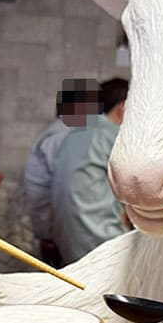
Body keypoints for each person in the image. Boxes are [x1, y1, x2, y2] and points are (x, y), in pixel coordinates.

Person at [50, 77, 129, 265]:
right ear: (123, 108)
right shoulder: (115, 137)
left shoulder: (74, 134)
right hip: (100, 247)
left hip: (68, 248)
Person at [22, 79, 100, 267]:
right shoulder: (65, 136)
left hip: (52, 225)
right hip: (55, 229)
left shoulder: (58, 132)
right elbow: (67, 186)